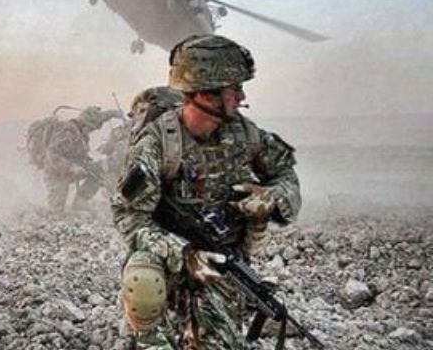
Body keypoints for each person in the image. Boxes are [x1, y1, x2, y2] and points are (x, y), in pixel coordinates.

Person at [111, 35, 301, 349]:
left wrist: (271, 197)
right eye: (233, 88)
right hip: (167, 257)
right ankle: (148, 338)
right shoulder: (159, 142)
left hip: (219, 262)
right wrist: (184, 254)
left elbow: (287, 176)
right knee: (143, 278)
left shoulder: (246, 134)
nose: (241, 96)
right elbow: (130, 219)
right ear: (205, 92)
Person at [30, 106, 120, 213]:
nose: (92, 130)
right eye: (90, 128)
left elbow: (99, 117)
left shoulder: (81, 131)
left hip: (74, 167)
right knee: (57, 210)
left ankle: (80, 202)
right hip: (55, 172)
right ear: (84, 124)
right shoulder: (68, 134)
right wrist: (71, 167)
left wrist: (113, 113)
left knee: (98, 170)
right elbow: (52, 154)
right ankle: (46, 216)